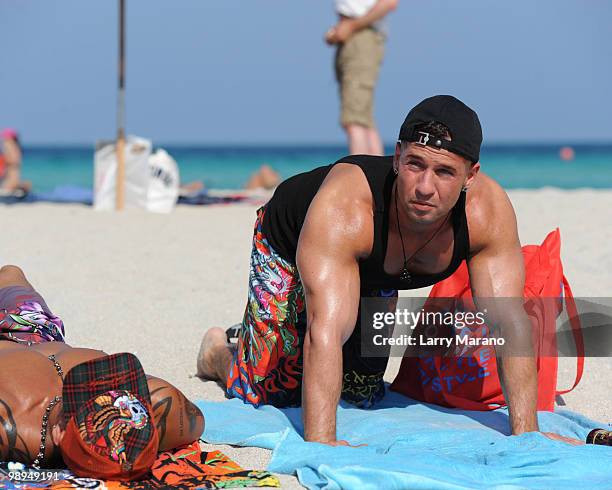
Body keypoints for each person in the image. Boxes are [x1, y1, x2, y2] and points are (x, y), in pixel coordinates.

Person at [196, 95, 582, 447]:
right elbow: (325, 330)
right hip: (292, 241)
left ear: (470, 176)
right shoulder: (346, 206)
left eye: (445, 172)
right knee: (270, 389)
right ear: (397, 157)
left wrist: (526, 432)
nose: (424, 187)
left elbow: (509, 323)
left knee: (361, 393)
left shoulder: (488, 214)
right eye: (415, 164)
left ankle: (265, 336)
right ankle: (219, 352)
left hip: (379, 270)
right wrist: (323, 444)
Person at [0, 264, 204, 472]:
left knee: (11, 277)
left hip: (23, 331)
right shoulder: (160, 405)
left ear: (58, 435)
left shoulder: (14, 427)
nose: (95, 385)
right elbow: (195, 422)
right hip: (36, 332)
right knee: (11, 274)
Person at [325, 0, 399, 155]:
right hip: (354, 35)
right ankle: (374, 174)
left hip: (361, 36)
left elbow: (389, 2)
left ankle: (360, 175)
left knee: (355, 119)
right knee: (363, 119)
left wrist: (351, 26)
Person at [0, 129, 31, 196]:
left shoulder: (12, 147)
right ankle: (23, 187)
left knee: (10, 184)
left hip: (12, 174)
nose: (3, 141)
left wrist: (4, 160)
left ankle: (23, 187)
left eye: (5, 139)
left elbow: (15, 161)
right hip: (10, 174)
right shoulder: (14, 147)